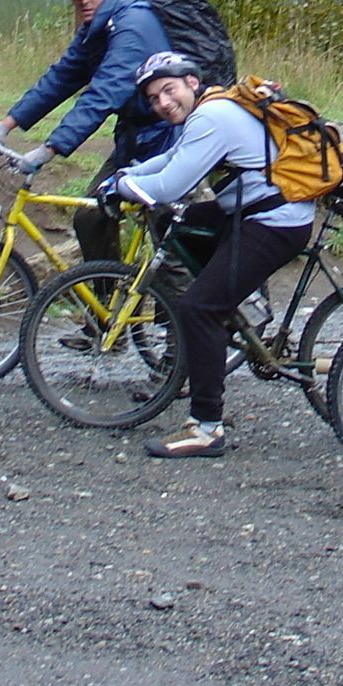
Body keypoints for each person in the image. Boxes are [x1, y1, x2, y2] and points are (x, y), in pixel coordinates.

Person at [103, 51, 314, 459]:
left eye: (169, 90)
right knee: (175, 223)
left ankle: (206, 427)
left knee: (198, 307)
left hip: (275, 221)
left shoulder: (211, 116)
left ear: (192, 83)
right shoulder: (213, 108)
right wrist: (125, 175)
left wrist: (120, 188)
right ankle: (238, 304)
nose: (162, 103)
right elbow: (172, 161)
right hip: (255, 212)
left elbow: (168, 185)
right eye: (153, 98)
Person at [0, 0, 175, 253]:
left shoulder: (133, 25)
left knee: (168, 239)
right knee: (90, 218)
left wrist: (48, 149)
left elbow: (101, 95)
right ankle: (108, 294)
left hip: (169, 139)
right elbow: (60, 77)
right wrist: (4, 125)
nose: (83, 0)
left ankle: (180, 299)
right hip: (134, 139)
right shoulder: (96, 29)